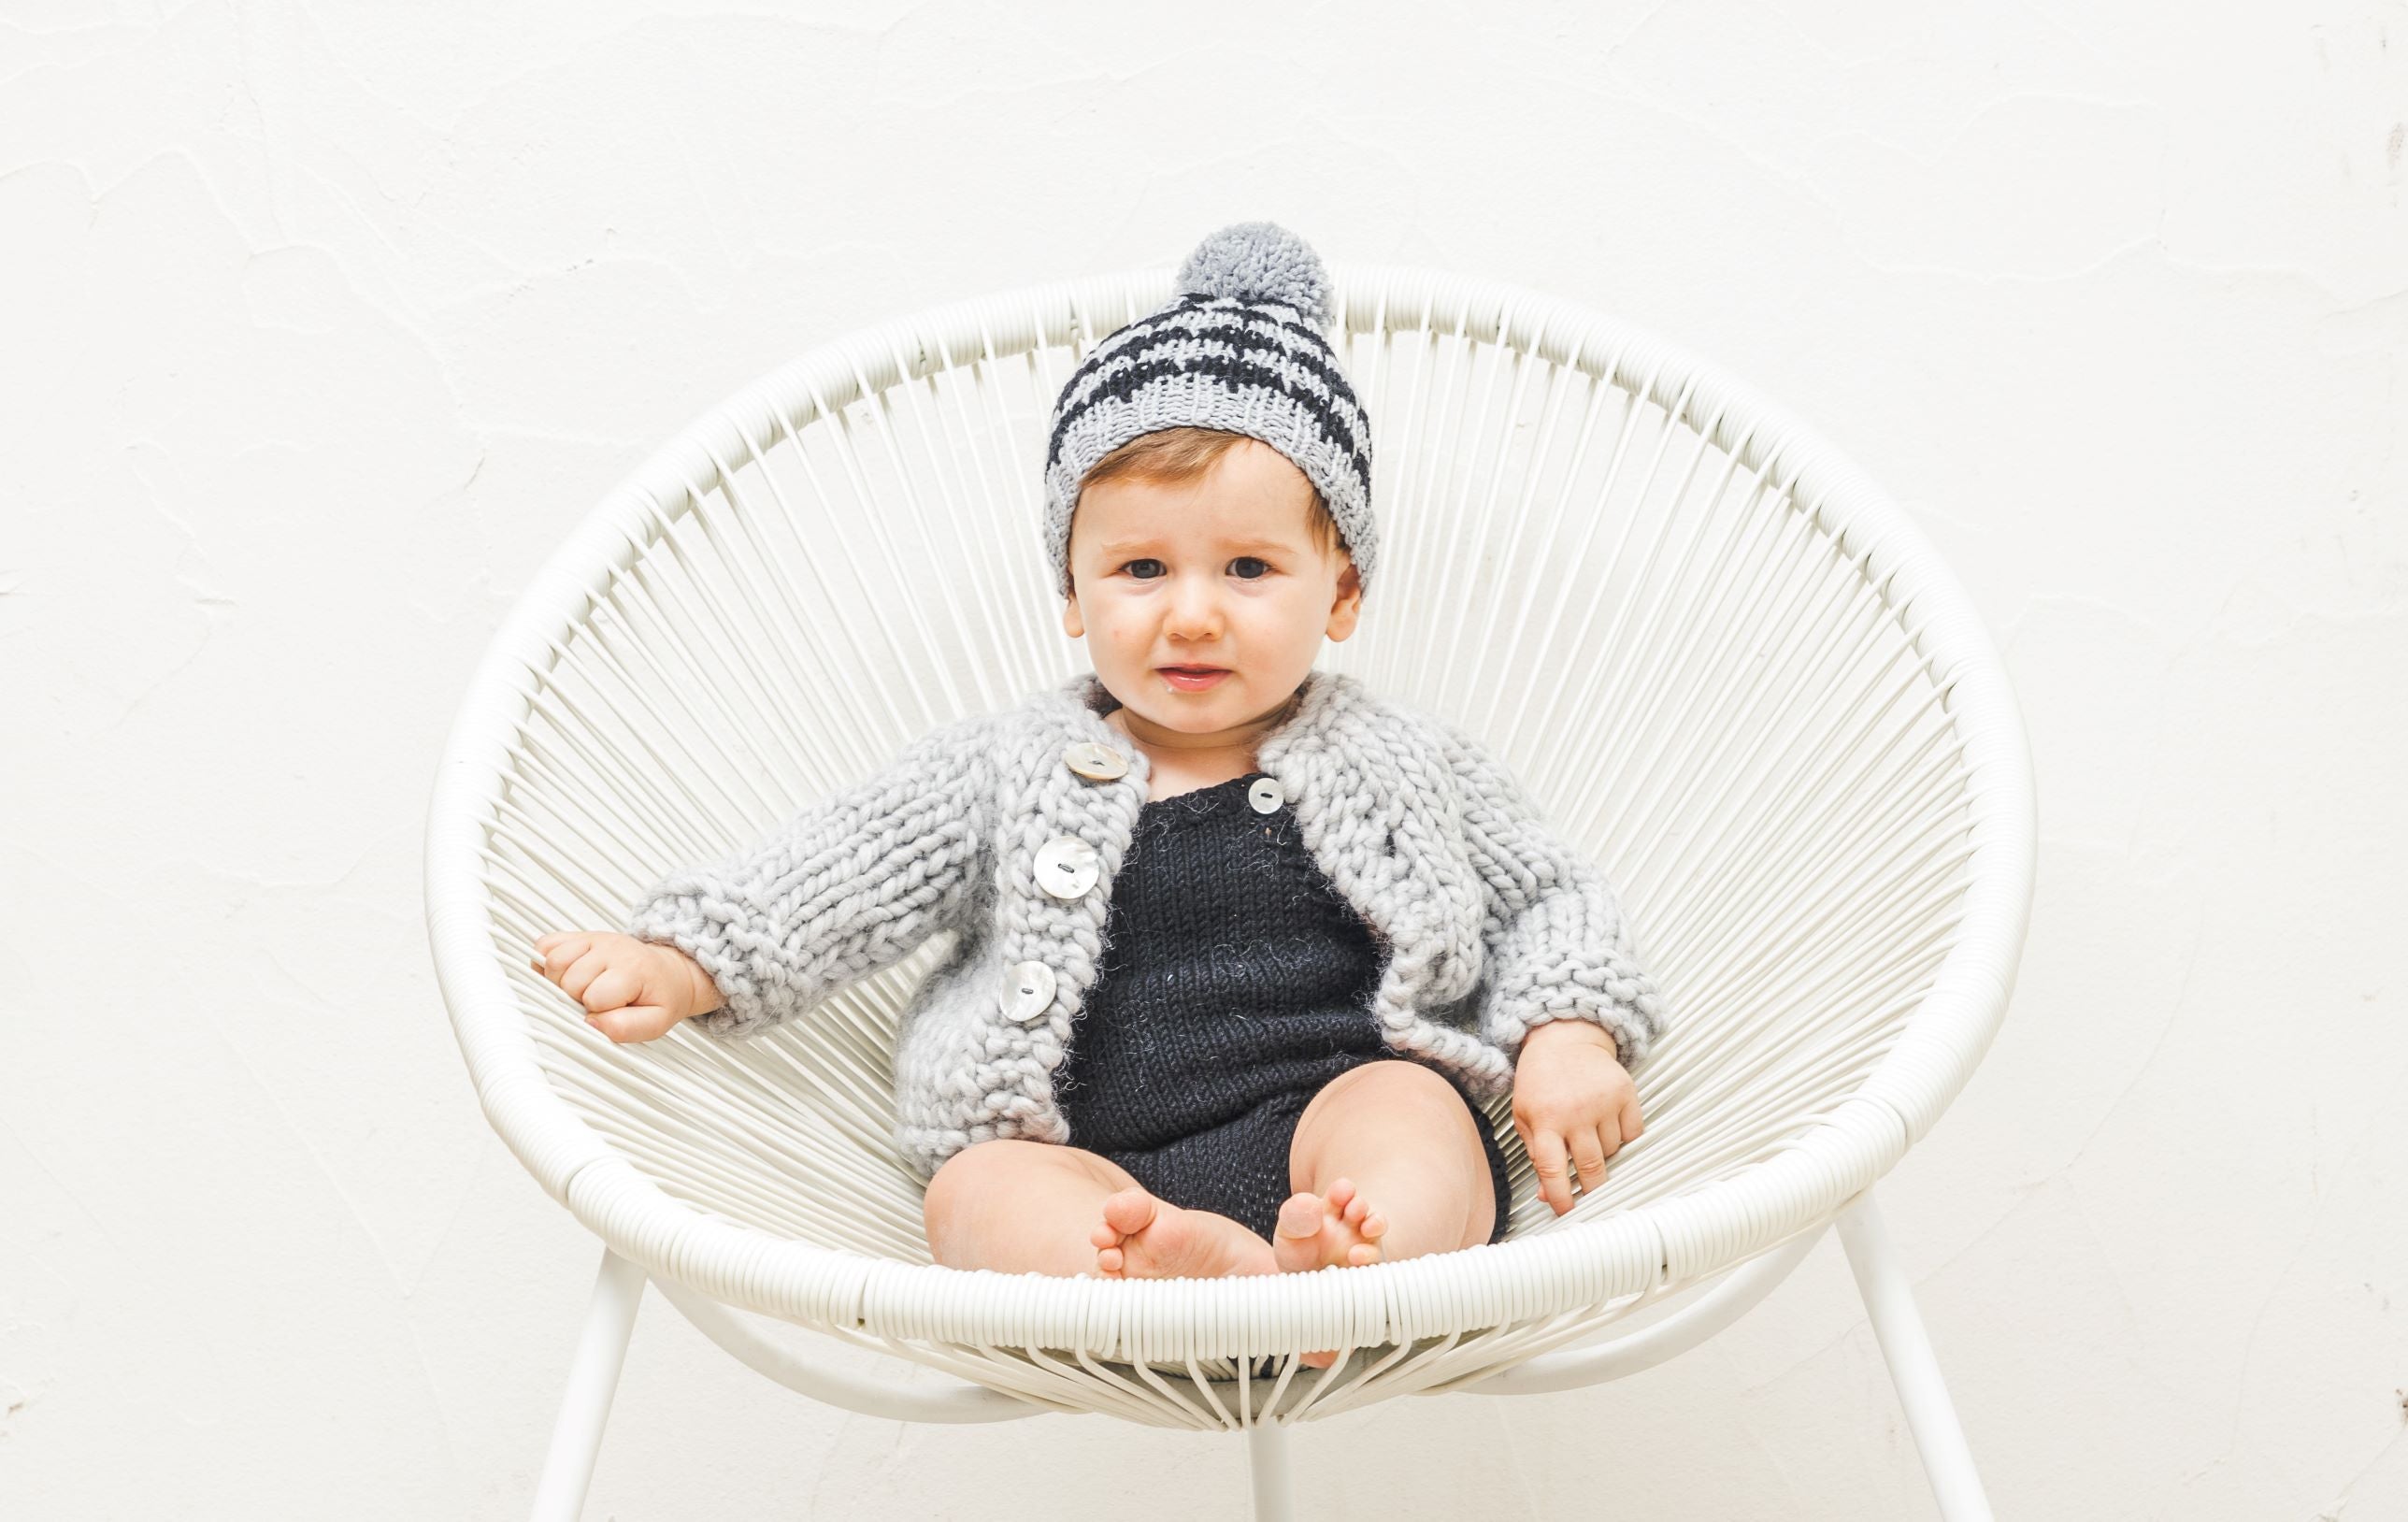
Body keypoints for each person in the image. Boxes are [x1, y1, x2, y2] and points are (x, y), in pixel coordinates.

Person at [531, 222, 1667, 1370]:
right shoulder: (1008, 766)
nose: (1189, 613)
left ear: (1341, 592)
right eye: (1138, 569)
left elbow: (1545, 890)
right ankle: (1162, 1279)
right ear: (1071, 594)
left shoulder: (1405, 755)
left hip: (1331, 1106)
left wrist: (1566, 1033)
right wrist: (692, 957)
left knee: (1416, 1123)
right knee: (974, 1191)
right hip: (1087, 1158)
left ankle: (1348, 1273)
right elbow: (839, 871)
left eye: (1247, 568)